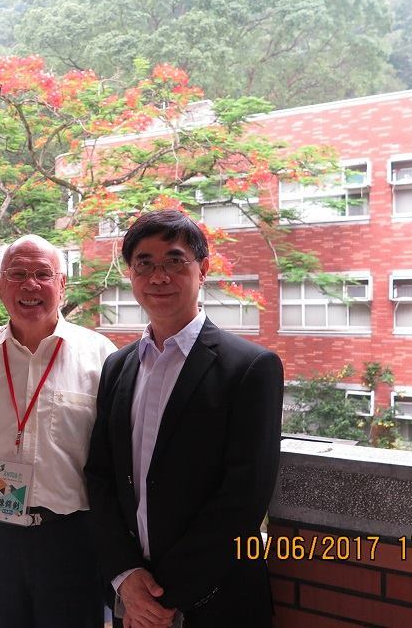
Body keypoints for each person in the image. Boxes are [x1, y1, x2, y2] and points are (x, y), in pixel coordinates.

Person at [85, 209, 284, 627]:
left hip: (215, 599)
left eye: (175, 261)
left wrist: (163, 597)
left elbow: (244, 496)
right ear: (130, 274)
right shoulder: (117, 367)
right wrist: (127, 579)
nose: (159, 277)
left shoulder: (250, 367)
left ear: (203, 269)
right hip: (133, 597)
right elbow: (101, 477)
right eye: (145, 263)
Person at [0, 235, 117, 628]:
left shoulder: (101, 356)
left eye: (43, 274)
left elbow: (118, 463)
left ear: (62, 285)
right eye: (17, 274)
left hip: (72, 540)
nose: (30, 285)